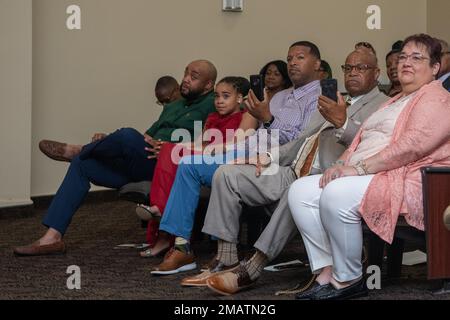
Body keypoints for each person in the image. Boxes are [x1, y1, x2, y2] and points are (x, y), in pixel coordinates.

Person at [199, 47, 389, 295]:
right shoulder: (332, 98)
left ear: (376, 73)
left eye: (361, 68)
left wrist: (342, 121)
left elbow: (369, 146)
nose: (353, 73)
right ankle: (227, 257)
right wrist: (266, 157)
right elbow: (301, 140)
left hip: (327, 177)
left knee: (296, 191)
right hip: (293, 168)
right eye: (348, 68)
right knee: (227, 173)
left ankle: (253, 267)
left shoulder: (383, 105)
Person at [287, 34, 450, 300]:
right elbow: (360, 140)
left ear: (434, 68)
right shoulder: (393, 99)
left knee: (337, 193)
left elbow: (413, 146)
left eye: (417, 57)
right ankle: (327, 269)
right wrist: (340, 164)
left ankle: (349, 277)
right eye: (403, 57)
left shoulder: (436, 97)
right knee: (301, 191)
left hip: (409, 177)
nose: (406, 62)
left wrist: (358, 169)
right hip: (373, 173)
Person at [150, 41, 323, 275]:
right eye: (290, 57)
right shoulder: (281, 97)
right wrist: (229, 148)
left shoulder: (321, 97)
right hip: (249, 149)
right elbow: (259, 134)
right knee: (188, 163)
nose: (292, 62)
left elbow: (301, 143)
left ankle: (220, 253)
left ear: (317, 64)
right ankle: (182, 247)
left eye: (300, 57)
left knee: (217, 170)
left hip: (277, 160)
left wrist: (267, 123)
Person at [13, 60, 218, 256]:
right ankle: (52, 238)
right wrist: (107, 144)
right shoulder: (173, 106)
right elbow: (148, 136)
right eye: (185, 73)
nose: (186, 79)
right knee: (82, 164)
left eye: (194, 76)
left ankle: (83, 148)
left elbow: (217, 141)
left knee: (126, 134)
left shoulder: (213, 104)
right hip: (145, 160)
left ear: (209, 85)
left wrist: (173, 147)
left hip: (169, 165)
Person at [137, 77, 250, 256]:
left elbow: (233, 146)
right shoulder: (212, 117)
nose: (219, 101)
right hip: (205, 154)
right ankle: (159, 208)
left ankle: (160, 211)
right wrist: (183, 147)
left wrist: (192, 149)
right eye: (217, 96)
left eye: (226, 96)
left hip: (223, 158)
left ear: (239, 98)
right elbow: (199, 142)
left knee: (176, 152)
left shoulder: (245, 117)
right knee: (168, 148)